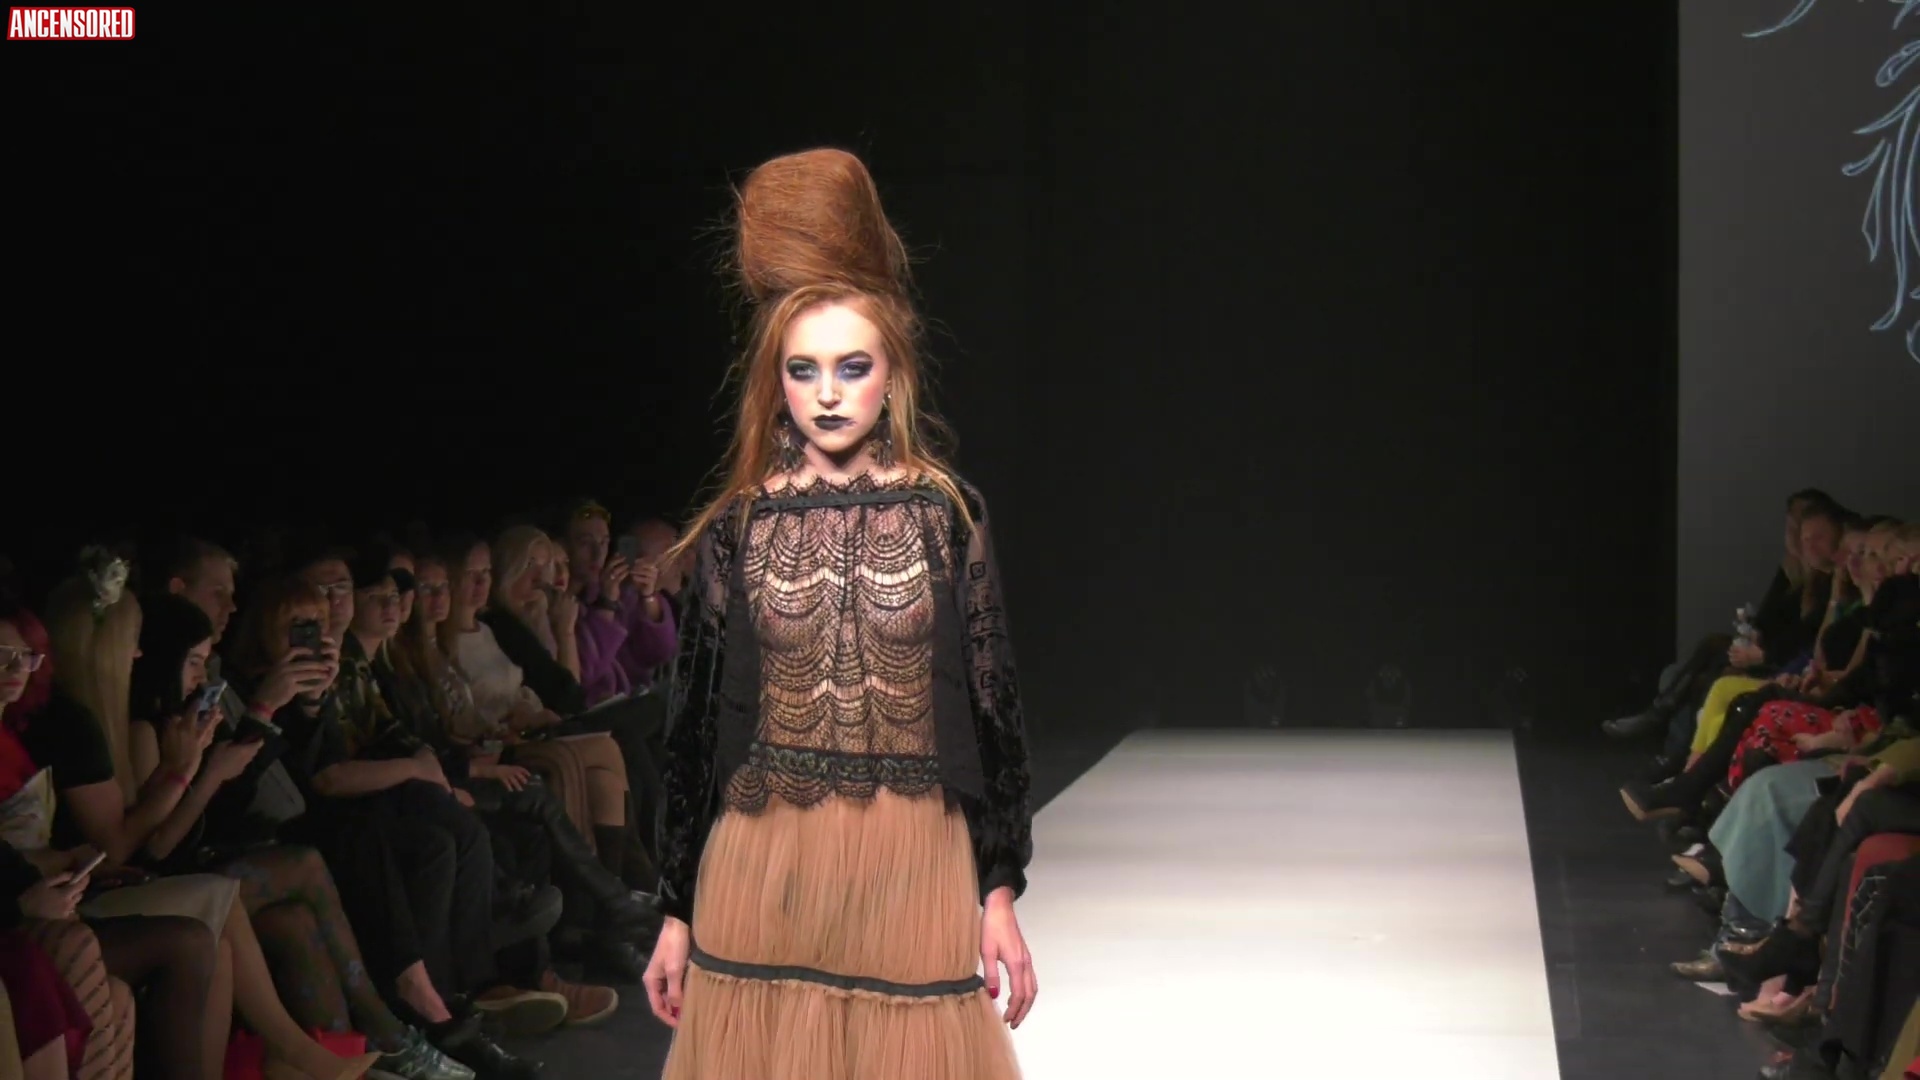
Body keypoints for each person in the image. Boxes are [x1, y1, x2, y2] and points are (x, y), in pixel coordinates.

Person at [642, 148, 1035, 1079]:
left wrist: (999, 890)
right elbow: (694, 725)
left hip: (911, 860)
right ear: (774, 382)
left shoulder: (946, 512)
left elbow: (992, 710)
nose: (826, 393)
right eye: (803, 369)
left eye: (852, 367)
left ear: (892, 374)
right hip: (761, 860)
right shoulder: (741, 524)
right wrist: (675, 909)